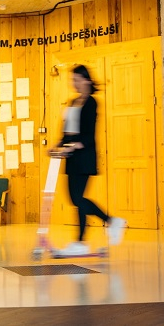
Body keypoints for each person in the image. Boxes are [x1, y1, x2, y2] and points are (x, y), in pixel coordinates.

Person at [50, 64, 126, 256]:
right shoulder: (72, 102)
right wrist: (57, 145)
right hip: (72, 156)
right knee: (75, 199)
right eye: (72, 80)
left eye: (77, 79)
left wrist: (75, 146)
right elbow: (67, 131)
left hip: (84, 156)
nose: (74, 83)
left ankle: (103, 227)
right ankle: (91, 236)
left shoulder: (91, 103)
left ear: (87, 80)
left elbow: (89, 134)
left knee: (78, 198)